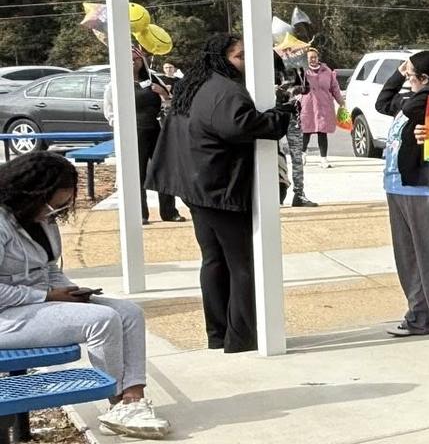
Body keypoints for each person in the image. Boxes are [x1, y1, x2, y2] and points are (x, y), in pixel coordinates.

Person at [0, 152, 170, 438]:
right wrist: (48, 295)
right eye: (52, 204)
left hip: (34, 304)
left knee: (129, 313)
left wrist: (71, 292)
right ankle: (117, 403)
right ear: (29, 193)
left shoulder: (40, 220)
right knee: (101, 320)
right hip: (7, 316)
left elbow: (48, 267)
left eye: (61, 205)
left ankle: (134, 400)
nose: (54, 212)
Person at [149, 33, 293, 354]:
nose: (246, 62)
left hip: (196, 186)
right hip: (218, 188)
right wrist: (282, 114)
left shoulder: (196, 84)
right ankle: (240, 338)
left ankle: (218, 334)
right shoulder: (226, 91)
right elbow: (241, 127)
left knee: (213, 260)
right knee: (242, 263)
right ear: (222, 58)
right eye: (240, 56)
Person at [377, 51, 429, 339]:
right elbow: (382, 102)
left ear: (425, 79)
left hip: (423, 186)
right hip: (396, 185)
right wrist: (399, 73)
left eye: (412, 74)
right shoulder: (409, 98)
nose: (407, 78)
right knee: (407, 258)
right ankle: (419, 315)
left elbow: (415, 109)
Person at [103, 56, 181, 224]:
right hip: (134, 132)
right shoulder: (116, 83)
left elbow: (170, 101)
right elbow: (109, 111)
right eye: (129, 59)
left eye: (136, 59)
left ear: (142, 61)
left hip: (156, 129)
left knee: (164, 170)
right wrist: (121, 127)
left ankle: (169, 212)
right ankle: (140, 213)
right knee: (137, 173)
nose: (133, 62)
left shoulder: (152, 78)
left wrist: (163, 93)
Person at [277, 45, 316, 207]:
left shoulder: (297, 67)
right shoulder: (268, 64)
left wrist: (301, 78)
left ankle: (299, 194)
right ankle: (276, 191)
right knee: (274, 155)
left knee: (297, 157)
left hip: (293, 116)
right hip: (275, 115)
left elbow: (305, 89)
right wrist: (284, 90)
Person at [297, 48, 344, 166]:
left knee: (322, 132)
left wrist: (341, 102)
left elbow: (335, 88)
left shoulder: (327, 71)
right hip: (308, 106)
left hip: (324, 105)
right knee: (306, 131)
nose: (312, 60)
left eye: (314, 57)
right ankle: (302, 154)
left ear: (318, 58)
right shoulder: (303, 71)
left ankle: (323, 158)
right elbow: (296, 86)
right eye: (310, 58)